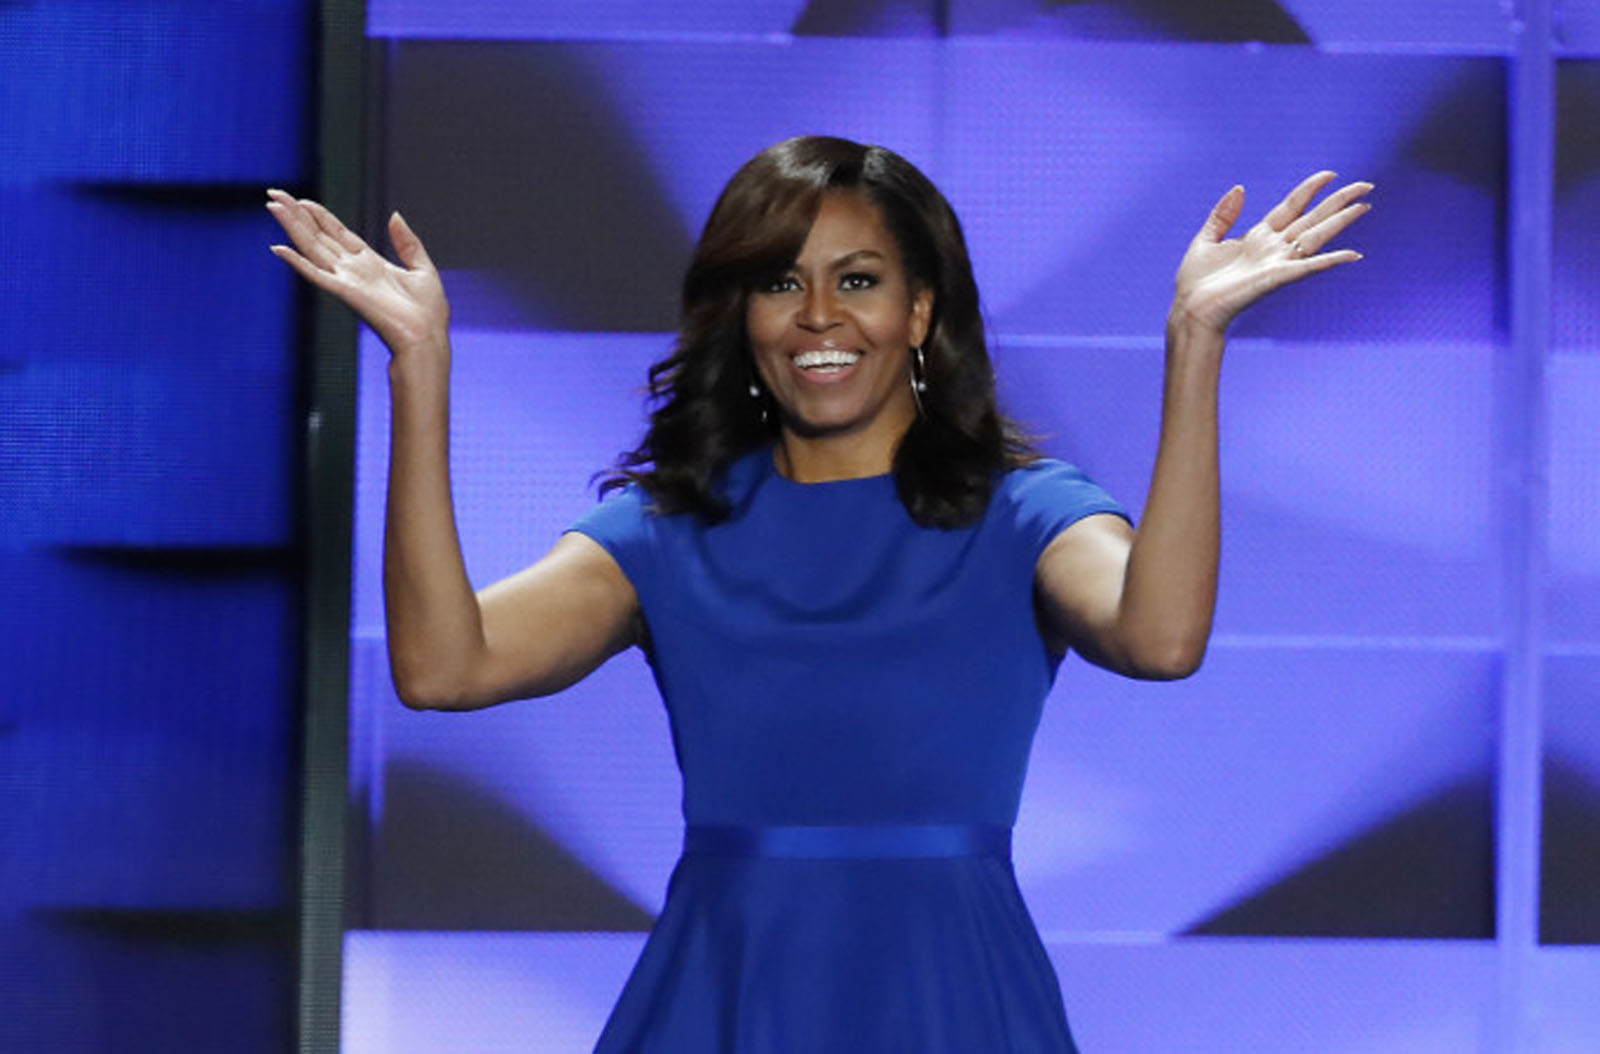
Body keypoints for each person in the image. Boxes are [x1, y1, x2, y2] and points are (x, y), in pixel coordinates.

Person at [268, 135, 1369, 1052]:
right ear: (741, 313)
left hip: (951, 997)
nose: (818, 316)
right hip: (723, 995)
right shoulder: (669, 530)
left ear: (920, 311)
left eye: (858, 280)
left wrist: (1193, 343)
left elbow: (1160, 637)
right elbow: (443, 667)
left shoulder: (1020, 513)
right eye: (781, 282)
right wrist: (419, 364)